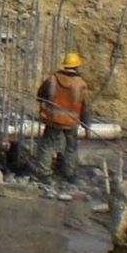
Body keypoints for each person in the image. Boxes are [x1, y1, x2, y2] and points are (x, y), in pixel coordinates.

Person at [34, 53, 89, 183]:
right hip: (71, 122)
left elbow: (40, 95)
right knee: (71, 147)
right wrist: (86, 125)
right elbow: (86, 107)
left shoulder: (52, 79)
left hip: (53, 119)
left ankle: (44, 173)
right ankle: (69, 174)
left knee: (47, 145)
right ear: (76, 67)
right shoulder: (81, 84)